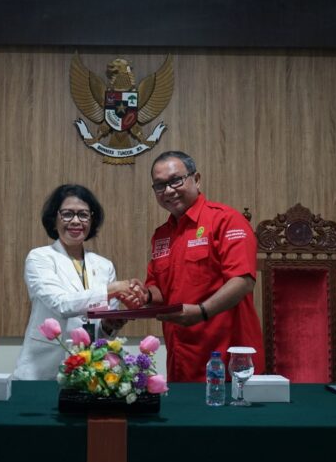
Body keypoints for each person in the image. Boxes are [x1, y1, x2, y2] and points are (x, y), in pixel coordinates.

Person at [141, 151, 265, 382]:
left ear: (196, 179)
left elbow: (243, 280)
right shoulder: (161, 235)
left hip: (228, 360)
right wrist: (143, 295)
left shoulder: (226, 220)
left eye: (176, 180)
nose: (168, 190)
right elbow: (160, 291)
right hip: (181, 359)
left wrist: (202, 312)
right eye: (160, 185)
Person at [14, 184, 140, 380]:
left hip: (90, 372)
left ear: (92, 220)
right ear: (54, 219)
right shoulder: (39, 258)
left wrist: (109, 325)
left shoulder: (104, 265)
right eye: (67, 214)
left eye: (83, 215)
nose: (75, 221)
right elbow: (61, 304)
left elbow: (103, 335)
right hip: (43, 370)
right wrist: (113, 289)